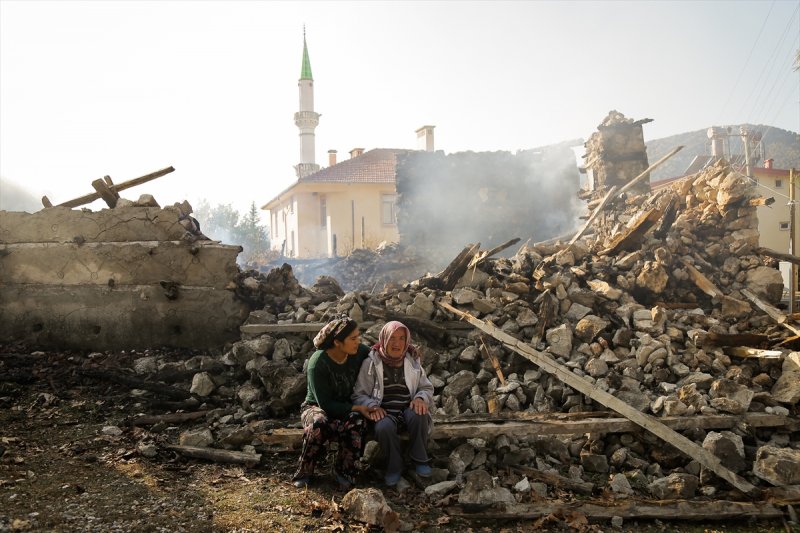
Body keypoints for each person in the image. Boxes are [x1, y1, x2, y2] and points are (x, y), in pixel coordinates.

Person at [291, 315, 378, 489]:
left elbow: (380, 354)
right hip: (317, 407)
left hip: (347, 406)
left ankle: (344, 471)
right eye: (353, 338)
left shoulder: (358, 351)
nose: (357, 341)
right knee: (319, 422)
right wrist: (357, 407)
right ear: (337, 342)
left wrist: (409, 352)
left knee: (358, 422)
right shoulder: (318, 363)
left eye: (358, 337)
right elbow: (325, 404)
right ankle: (305, 471)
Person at [353, 321, 435, 487]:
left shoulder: (412, 360)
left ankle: (419, 459)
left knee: (420, 414)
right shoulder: (371, 363)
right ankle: (394, 466)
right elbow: (359, 394)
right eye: (392, 338)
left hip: (407, 411)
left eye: (401, 338)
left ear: (407, 341)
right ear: (384, 339)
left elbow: (426, 387)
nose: (396, 343)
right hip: (383, 413)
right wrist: (371, 405)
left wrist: (420, 398)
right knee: (384, 428)